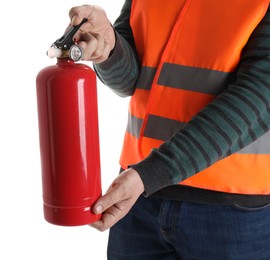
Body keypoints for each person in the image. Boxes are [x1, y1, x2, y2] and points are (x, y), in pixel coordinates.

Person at [68, 1, 270, 259]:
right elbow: (133, 79)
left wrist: (151, 173)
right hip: (138, 195)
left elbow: (259, 98)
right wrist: (109, 48)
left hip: (231, 209)